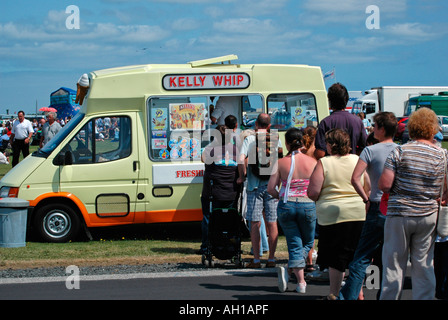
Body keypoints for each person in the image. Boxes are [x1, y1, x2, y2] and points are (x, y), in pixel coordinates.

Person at [378, 107, 446, 300]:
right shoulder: (442, 155)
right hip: (428, 214)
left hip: (400, 213)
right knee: (424, 263)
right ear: (433, 129)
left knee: (394, 263)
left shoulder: (399, 151)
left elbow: (385, 185)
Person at [338, 112, 398, 300]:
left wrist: (366, 198)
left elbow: (355, 178)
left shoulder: (370, 151)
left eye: (375, 126)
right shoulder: (400, 150)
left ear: (381, 129)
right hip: (395, 207)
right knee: (391, 258)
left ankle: (350, 296)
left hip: (376, 204)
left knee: (361, 257)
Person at [307, 128, 369, 300]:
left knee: (336, 258)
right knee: (356, 255)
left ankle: (334, 293)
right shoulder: (358, 160)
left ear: (331, 145)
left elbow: (313, 192)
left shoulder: (324, 163)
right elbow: (367, 186)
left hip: (332, 215)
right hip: (357, 212)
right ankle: (358, 291)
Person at [267, 127, 317, 294]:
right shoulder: (313, 162)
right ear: (302, 142)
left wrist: (279, 196)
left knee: (294, 244)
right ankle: (296, 276)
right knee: (308, 242)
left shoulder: (280, 163)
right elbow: (318, 187)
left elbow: (270, 188)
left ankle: (298, 280)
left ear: (287, 144)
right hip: (307, 203)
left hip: (286, 204)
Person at [238, 113, 282, 268]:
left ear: (256, 124)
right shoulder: (276, 139)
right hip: (271, 185)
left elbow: (240, 160)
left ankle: (256, 259)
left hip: (254, 186)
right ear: (269, 126)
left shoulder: (250, 139)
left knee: (255, 222)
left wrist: (242, 177)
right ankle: (271, 258)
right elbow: (279, 160)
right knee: (272, 222)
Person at [199, 118, 240, 254]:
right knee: (229, 219)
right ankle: (228, 244)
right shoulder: (236, 150)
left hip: (212, 193)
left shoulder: (210, 150)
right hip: (231, 193)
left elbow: (202, 160)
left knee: (208, 218)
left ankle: (206, 246)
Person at [314, 83, 367, 160]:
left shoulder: (325, 122)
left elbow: (320, 153)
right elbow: (363, 147)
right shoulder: (357, 121)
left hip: (331, 168)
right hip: (352, 167)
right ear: (346, 100)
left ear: (330, 101)